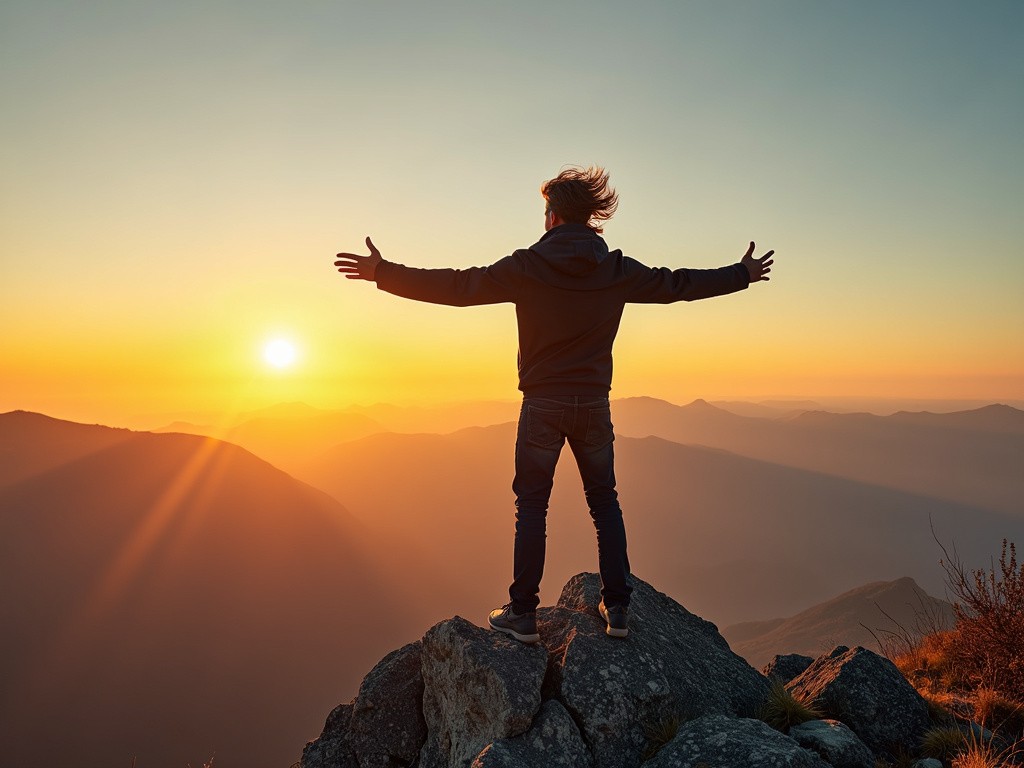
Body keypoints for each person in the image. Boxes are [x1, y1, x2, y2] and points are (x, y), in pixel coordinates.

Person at [334, 166, 773, 642]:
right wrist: (741, 275)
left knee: (532, 508)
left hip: (542, 404)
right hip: (593, 406)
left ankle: (523, 614)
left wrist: (384, 273)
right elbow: (680, 285)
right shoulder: (617, 270)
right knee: (605, 504)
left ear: (553, 215)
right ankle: (619, 610)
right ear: (591, 218)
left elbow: (458, 287)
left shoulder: (527, 267)